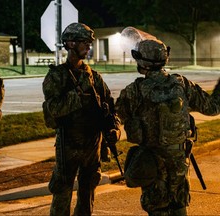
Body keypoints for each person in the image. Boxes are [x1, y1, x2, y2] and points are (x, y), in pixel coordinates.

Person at [115, 27, 220, 216]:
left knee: (158, 209)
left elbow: (115, 116)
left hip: (152, 166)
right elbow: (213, 108)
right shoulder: (181, 84)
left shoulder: (134, 91)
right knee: (180, 209)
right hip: (179, 164)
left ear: (143, 63)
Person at [42, 22, 121, 216]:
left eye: (89, 43)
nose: (88, 47)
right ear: (69, 44)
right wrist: (80, 93)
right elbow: (53, 110)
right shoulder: (56, 76)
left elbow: (111, 108)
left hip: (92, 144)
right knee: (62, 191)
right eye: (83, 42)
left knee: (88, 192)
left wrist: (114, 129)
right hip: (68, 143)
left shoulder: (95, 77)